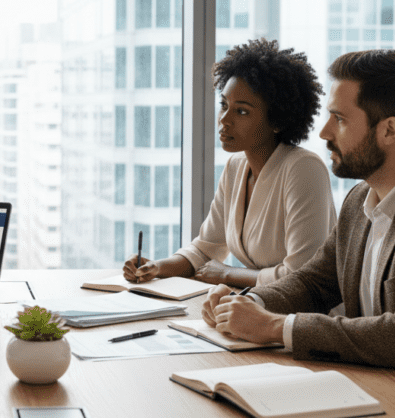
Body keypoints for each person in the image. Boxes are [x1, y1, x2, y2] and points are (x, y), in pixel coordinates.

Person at [202, 49, 395, 418]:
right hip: (376, 395)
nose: (324, 132)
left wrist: (275, 327)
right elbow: (314, 283)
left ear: (389, 130)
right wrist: (249, 303)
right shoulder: (361, 197)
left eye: (339, 119)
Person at [124, 39, 336, 289]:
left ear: (277, 120)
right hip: (259, 306)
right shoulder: (236, 167)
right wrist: (157, 268)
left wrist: (227, 274)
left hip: (305, 318)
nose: (224, 120)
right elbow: (205, 249)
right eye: (224, 105)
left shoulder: (303, 169)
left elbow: (300, 274)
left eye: (242, 111)